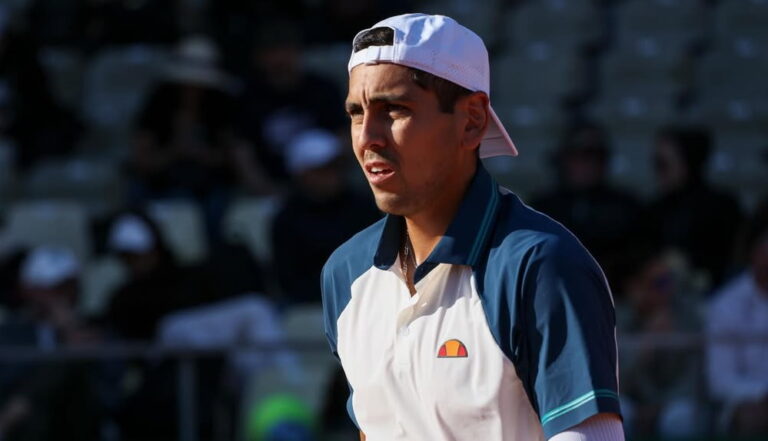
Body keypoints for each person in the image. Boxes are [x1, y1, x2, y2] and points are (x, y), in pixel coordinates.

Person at [321, 14, 623, 441]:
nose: (367, 136)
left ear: (473, 121)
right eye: (356, 113)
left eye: (395, 109)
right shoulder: (344, 273)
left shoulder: (543, 267)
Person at [271, 129, 380, 306]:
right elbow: (290, 282)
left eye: (335, 166)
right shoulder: (286, 220)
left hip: (371, 292)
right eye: (322, 169)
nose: (332, 175)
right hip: (316, 303)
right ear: (302, 175)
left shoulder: (363, 205)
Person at [531, 122, 640, 285]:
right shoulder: (542, 208)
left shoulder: (626, 208)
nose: (585, 165)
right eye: (577, 156)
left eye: (594, 156)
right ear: (564, 159)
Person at [643, 126, 743, 287]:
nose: (657, 171)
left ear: (687, 163)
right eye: (656, 163)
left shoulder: (723, 207)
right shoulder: (654, 210)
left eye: (663, 164)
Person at [706, 201, 768, 436]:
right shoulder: (726, 304)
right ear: (754, 252)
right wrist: (763, 393)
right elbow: (720, 381)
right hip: (745, 404)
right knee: (754, 417)